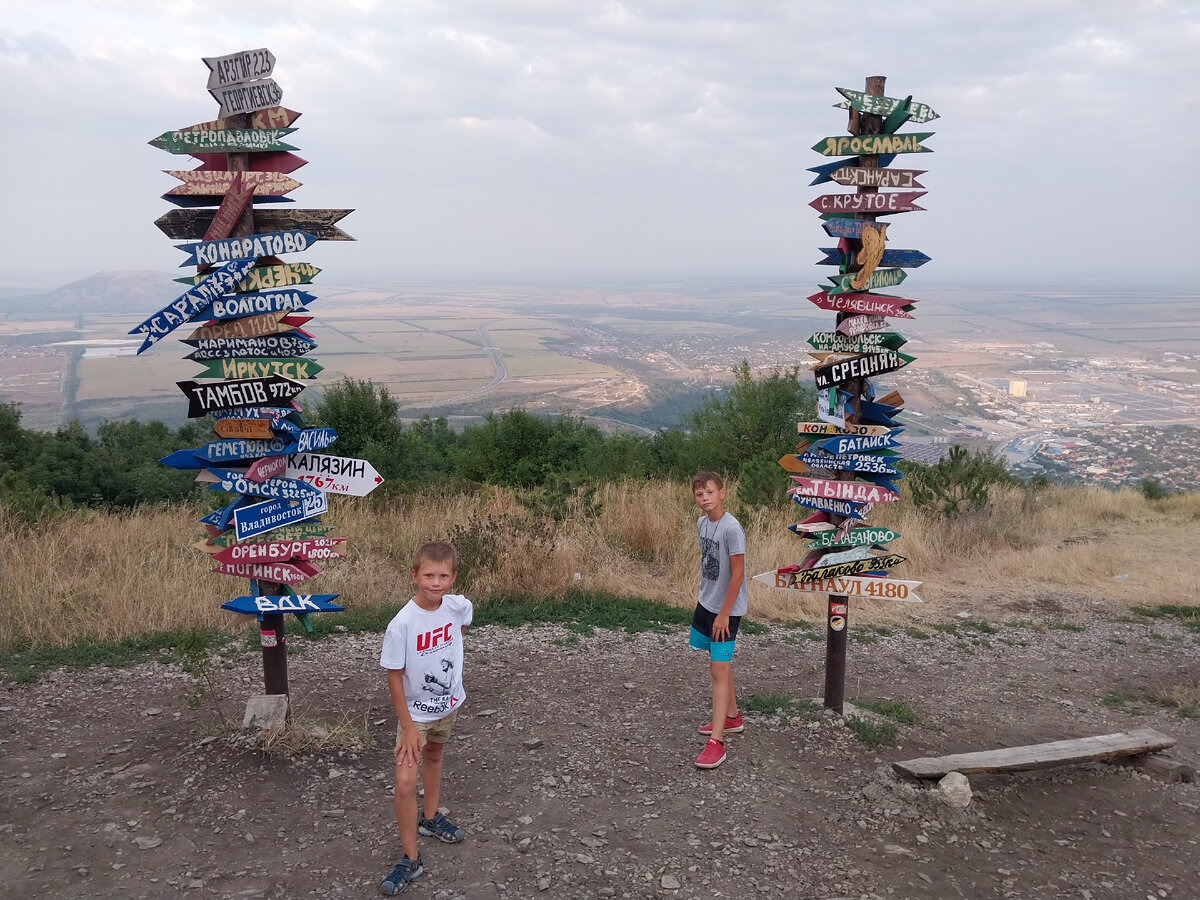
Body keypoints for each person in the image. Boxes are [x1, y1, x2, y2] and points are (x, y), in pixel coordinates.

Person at [378, 541, 473, 895]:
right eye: (429, 575)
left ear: (453, 577)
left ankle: (430, 819)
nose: (436, 582)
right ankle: (410, 857)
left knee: (435, 754)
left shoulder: (457, 605)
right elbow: (393, 674)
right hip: (414, 715)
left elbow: (463, 624)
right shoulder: (402, 623)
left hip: (448, 705)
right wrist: (406, 726)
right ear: (415, 575)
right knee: (404, 782)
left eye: (443, 576)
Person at [689, 471, 749, 769]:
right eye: (700, 494)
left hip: (727, 608)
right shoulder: (702, 523)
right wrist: (707, 602)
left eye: (710, 492)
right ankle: (732, 717)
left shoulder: (731, 528)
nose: (705, 498)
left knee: (718, 668)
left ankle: (717, 741)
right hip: (707, 601)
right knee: (719, 662)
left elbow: (737, 574)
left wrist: (725, 612)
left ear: (722, 493)